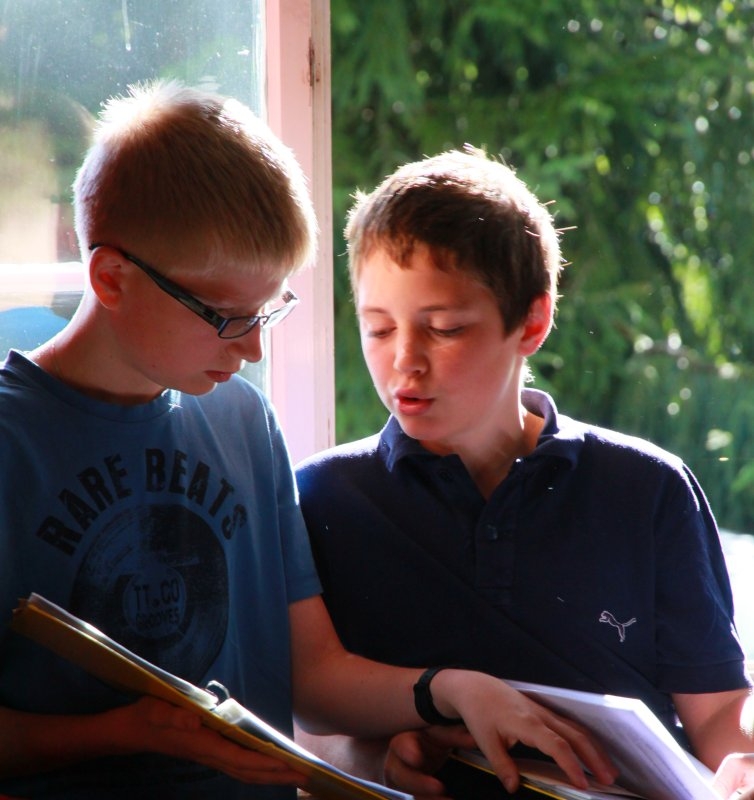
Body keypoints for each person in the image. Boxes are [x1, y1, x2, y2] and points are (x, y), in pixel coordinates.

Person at [0, 84, 617, 800]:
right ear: (112, 278)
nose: (253, 349)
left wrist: (451, 690)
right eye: (226, 316)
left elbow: (314, 672)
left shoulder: (241, 419)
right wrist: (126, 731)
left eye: (268, 311)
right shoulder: (14, 442)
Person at [294, 147, 754, 798]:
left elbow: (717, 709)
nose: (405, 360)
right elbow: (303, 712)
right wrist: (371, 759)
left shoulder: (647, 489)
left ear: (532, 322)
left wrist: (744, 767)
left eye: (443, 328)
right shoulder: (322, 498)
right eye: (378, 329)